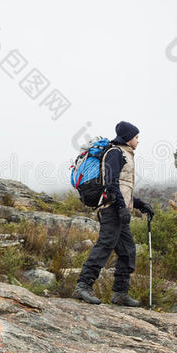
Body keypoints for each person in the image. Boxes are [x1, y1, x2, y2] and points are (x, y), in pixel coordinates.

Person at [73, 121, 154, 306]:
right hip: (112, 209)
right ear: (127, 138)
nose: (138, 140)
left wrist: (140, 205)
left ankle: (120, 293)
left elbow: (124, 187)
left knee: (127, 251)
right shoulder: (115, 153)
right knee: (105, 245)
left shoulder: (125, 154)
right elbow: (111, 183)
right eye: (136, 137)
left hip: (119, 209)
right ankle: (83, 286)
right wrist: (120, 207)